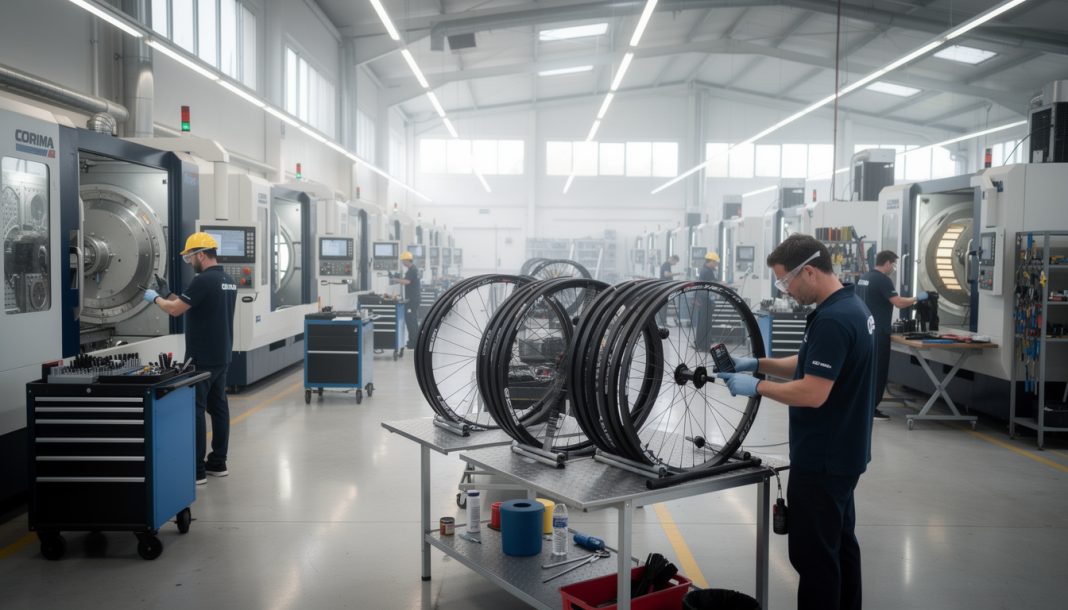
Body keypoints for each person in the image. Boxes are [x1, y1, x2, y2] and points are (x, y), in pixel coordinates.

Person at [717, 234, 875, 610]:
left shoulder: (834, 320)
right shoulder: (850, 307)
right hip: (845, 453)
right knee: (840, 547)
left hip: (822, 458)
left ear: (809, 272)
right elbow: (810, 363)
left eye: (786, 282)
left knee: (814, 558)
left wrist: (757, 387)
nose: (786, 291)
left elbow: (813, 392)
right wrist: (758, 364)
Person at [144, 232, 238, 485]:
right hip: (222, 355)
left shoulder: (203, 280)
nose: (189, 263)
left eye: (189, 258)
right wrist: (171, 293)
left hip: (202, 357)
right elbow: (191, 304)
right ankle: (218, 463)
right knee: (219, 409)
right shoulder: (228, 280)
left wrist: (156, 298)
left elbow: (175, 311)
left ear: (201, 255)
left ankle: (196, 470)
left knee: (196, 410)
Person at [855, 250, 928, 421]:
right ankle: (872, 409)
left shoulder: (865, 277)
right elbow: (899, 303)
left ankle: (863, 406)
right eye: (894, 265)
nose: (894, 268)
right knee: (878, 372)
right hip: (879, 333)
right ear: (887, 263)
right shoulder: (883, 280)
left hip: (865, 331)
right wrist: (918, 297)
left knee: (866, 372)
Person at [392, 251, 421, 350]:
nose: (402, 263)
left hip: (412, 300)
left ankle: (413, 342)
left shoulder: (412, 270)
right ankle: (414, 341)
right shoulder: (413, 269)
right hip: (414, 299)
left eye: (403, 261)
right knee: (413, 320)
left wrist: (395, 279)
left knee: (411, 321)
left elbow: (407, 281)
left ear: (407, 260)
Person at [693, 252, 722, 350]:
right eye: (715, 262)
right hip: (705, 299)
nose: (716, 264)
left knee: (703, 322)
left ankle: (700, 344)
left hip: (703, 298)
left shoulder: (705, 270)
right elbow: (712, 284)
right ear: (711, 261)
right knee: (705, 323)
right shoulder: (707, 271)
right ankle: (704, 346)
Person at [657, 255, 681, 325]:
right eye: (675, 262)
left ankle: (663, 321)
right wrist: (678, 273)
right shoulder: (666, 264)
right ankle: (662, 322)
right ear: (672, 259)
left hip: (665, 287)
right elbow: (666, 275)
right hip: (664, 287)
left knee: (665, 305)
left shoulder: (667, 265)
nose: (675, 264)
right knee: (663, 305)